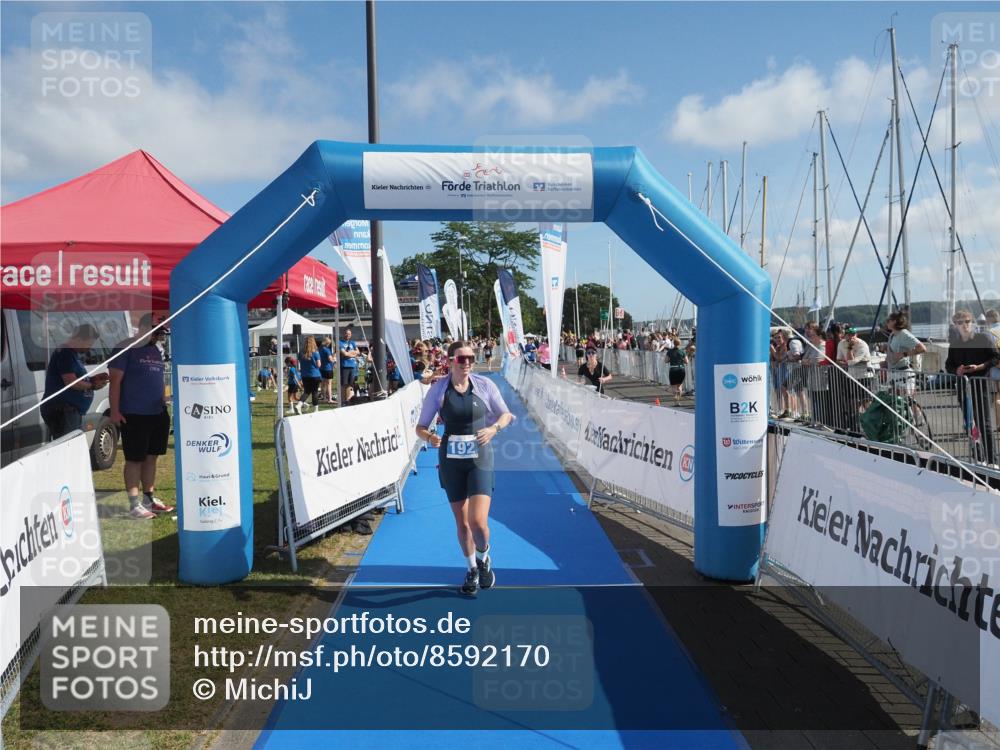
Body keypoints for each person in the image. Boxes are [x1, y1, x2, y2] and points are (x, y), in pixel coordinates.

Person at [414, 341, 514, 595]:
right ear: (450, 361)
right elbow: (420, 427)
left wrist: (493, 429)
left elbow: (506, 415)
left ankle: (484, 558)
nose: (468, 362)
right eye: (462, 358)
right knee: (463, 524)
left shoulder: (484, 385)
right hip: (451, 461)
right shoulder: (438, 390)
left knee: (478, 522)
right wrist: (430, 437)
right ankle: (471, 569)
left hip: (480, 459)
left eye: (471, 357)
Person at [109, 314, 174, 520]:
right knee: (134, 459)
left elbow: (156, 379)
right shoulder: (124, 348)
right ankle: (134, 504)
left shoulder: (155, 350)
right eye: (157, 332)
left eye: (161, 332)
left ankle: (148, 498)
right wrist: (115, 410)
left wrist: (164, 398)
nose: (159, 337)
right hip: (134, 413)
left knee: (151, 457)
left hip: (158, 412)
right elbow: (115, 381)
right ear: (144, 328)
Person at [945, 309, 999, 464]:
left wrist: (980, 366)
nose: (965, 325)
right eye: (960, 322)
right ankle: (978, 458)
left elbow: (996, 357)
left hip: (980, 385)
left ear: (972, 322)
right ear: (956, 325)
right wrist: (956, 370)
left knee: (984, 423)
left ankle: (992, 461)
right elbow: (948, 365)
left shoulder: (983, 338)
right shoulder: (955, 344)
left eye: (967, 321)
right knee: (970, 423)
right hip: (963, 387)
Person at [41, 324, 110, 440]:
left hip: (68, 411)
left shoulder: (71, 354)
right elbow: (71, 382)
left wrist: (92, 379)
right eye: (89, 344)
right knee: (67, 446)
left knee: (71, 444)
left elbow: (75, 378)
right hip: (63, 411)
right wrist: (92, 385)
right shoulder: (65, 353)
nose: (89, 348)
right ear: (79, 339)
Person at [836, 326, 873, 434]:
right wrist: (846, 362)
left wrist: (849, 349)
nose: (851, 337)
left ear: (856, 335)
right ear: (845, 335)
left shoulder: (862, 344)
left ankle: (872, 427)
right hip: (851, 376)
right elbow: (838, 360)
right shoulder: (841, 343)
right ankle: (855, 428)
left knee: (866, 402)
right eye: (848, 334)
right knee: (852, 403)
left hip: (864, 376)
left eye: (853, 334)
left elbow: (851, 362)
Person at [885, 311, 926, 396]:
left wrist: (904, 354)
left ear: (894, 322)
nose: (886, 322)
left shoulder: (903, 334)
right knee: (896, 401)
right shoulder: (892, 335)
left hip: (904, 374)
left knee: (906, 400)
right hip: (893, 374)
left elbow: (922, 348)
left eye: (888, 320)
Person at [300, 336, 322, 411]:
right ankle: (315, 409)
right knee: (315, 392)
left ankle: (299, 404)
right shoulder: (316, 353)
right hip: (314, 375)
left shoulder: (301, 353)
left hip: (304, 375)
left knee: (306, 391)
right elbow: (319, 365)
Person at [339, 328, 360, 404]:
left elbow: (358, 352)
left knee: (351, 384)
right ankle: (342, 401)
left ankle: (348, 400)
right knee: (344, 385)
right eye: (346, 333)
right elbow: (344, 354)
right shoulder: (340, 343)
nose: (348, 335)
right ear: (343, 334)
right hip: (345, 366)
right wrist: (353, 354)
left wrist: (350, 353)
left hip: (353, 366)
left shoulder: (352, 342)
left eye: (349, 334)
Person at [666, 335, 687, 401]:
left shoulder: (669, 351)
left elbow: (666, 360)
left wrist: (671, 359)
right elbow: (687, 361)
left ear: (673, 343)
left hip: (673, 369)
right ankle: (678, 400)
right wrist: (681, 360)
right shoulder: (682, 351)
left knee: (674, 386)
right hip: (681, 369)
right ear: (680, 344)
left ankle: (675, 397)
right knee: (679, 385)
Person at [319, 336, 336, 403]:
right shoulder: (327, 350)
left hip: (322, 368)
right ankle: (329, 399)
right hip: (328, 368)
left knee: (323, 384)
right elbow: (330, 359)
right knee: (329, 384)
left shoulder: (320, 349)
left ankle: (324, 398)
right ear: (328, 343)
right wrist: (334, 360)